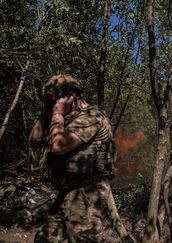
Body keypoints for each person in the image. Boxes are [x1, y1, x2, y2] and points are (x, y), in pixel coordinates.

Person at [29, 74, 134, 242]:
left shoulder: (92, 118)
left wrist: (57, 114)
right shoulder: (67, 118)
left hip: (87, 194)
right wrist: (46, 113)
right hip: (67, 192)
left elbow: (58, 146)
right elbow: (34, 142)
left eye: (55, 101)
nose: (53, 106)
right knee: (44, 239)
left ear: (71, 97)